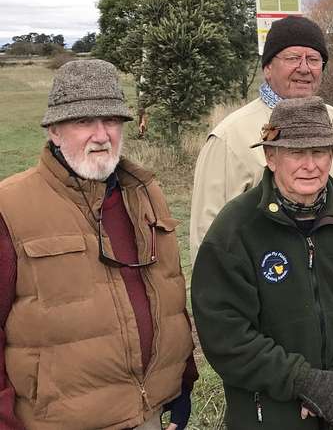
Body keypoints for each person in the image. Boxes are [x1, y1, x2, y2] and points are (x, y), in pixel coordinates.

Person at [0, 59, 196, 430]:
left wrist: (181, 386)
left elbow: (169, 294)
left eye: (110, 121)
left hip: (150, 413)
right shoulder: (10, 207)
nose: (101, 135)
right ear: (54, 131)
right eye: (83, 122)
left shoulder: (146, 192)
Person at [191, 96, 333, 429]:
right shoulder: (236, 228)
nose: (310, 165)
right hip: (268, 415)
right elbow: (225, 332)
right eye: (296, 153)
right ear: (271, 157)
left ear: (332, 155)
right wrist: (304, 382)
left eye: (319, 152)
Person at [189, 15, 333, 261]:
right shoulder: (229, 137)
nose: (304, 68)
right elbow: (207, 236)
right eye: (293, 58)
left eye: (313, 59)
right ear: (267, 68)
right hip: (265, 287)